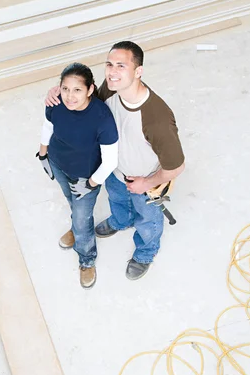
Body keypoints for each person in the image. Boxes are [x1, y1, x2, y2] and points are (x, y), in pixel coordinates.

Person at [45, 41, 185, 281]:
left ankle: (145, 253)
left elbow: (176, 166)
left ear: (138, 71)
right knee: (117, 201)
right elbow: (86, 100)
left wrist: (146, 182)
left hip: (144, 181)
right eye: (109, 64)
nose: (112, 71)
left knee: (148, 221)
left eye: (121, 66)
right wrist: (59, 92)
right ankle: (121, 221)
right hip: (114, 171)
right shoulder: (110, 89)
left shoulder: (157, 118)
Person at [37, 62, 119, 289]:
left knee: (83, 219)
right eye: (65, 89)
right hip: (58, 163)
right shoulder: (56, 103)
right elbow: (48, 126)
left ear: (90, 90)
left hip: (85, 177)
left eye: (77, 90)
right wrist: (43, 154)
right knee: (71, 203)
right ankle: (76, 229)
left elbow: (111, 160)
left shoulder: (102, 118)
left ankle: (87, 258)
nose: (70, 96)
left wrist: (91, 184)